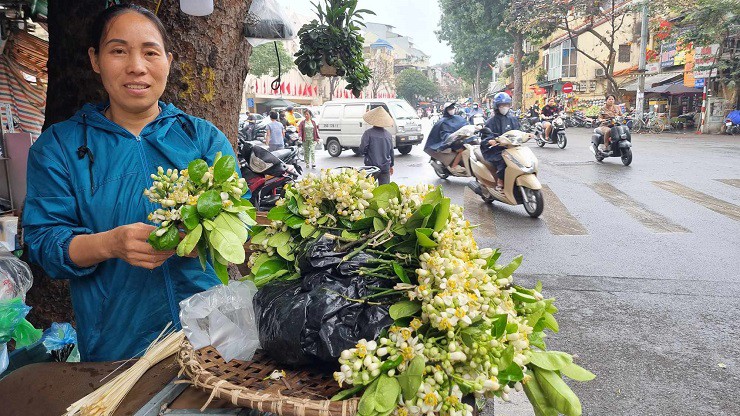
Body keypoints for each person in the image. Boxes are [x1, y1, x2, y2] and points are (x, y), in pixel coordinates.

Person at [22, 4, 234, 362]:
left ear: (167, 60)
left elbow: (235, 219)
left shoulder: (201, 138)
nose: (137, 66)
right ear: (95, 59)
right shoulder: (59, 146)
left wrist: (208, 240)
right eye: (118, 51)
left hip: (210, 337)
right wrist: (110, 244)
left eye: (150, 52)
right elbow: (45, 243)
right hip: (116, 346)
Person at [482, 92, 520, 191]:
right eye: (502, 105)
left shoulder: (513, 119)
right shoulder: (491, 121)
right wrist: (490, 140)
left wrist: (527, 135)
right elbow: (486, 136)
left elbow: (519, 131)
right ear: (496, 106)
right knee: (504, 160)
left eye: (506, 105)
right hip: (496, 149)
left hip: (512, 147)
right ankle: (500, 180)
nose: (504, 107)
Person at [424, 102, 469, 174]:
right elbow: (444, 134)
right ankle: (454, 167)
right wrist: (452, 137)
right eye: (450, 109)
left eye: (453, 108)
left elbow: (466, 125)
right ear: (446, 110)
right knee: (462, 150)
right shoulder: (442, 121)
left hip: (461, 139)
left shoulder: (458, 118)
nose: (452, 110)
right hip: (450, 142)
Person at [359, 107, 395, 185]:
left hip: (371, 167)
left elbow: (362, 150)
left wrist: (367, 154)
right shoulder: (388, 135)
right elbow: (391, 152)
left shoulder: (368, 133)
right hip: (385, 167)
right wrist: (391, 166)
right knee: (384, 191)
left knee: (369, 190)